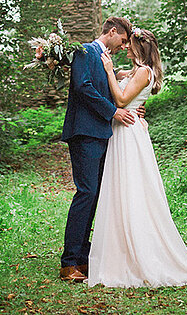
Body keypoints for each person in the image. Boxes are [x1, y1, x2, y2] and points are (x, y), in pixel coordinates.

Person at [87, 28, 187, 288]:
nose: (126, 48)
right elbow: (120, 82)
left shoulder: (143, 72)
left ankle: (137, 251)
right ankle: (119, 249)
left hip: (128, 135)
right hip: (124, 133)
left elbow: (120, 99)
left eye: (129, 45)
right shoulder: (135, 71)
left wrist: (108, 70)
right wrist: (109, 70)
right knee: (121, 191)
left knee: (132, 191)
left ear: (139, 48)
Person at [60, 16, 140, 282]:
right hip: (84, 132)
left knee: (95, 196)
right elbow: (82, 87)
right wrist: (113, 111)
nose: (123, 46)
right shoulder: (84, 50)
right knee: (86, 193)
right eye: (123, 40)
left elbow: (103, 89)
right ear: (113, 32)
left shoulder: (105, 59)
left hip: (100, 133)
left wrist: (120, 89)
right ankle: (69, 262)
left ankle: (83, 260)